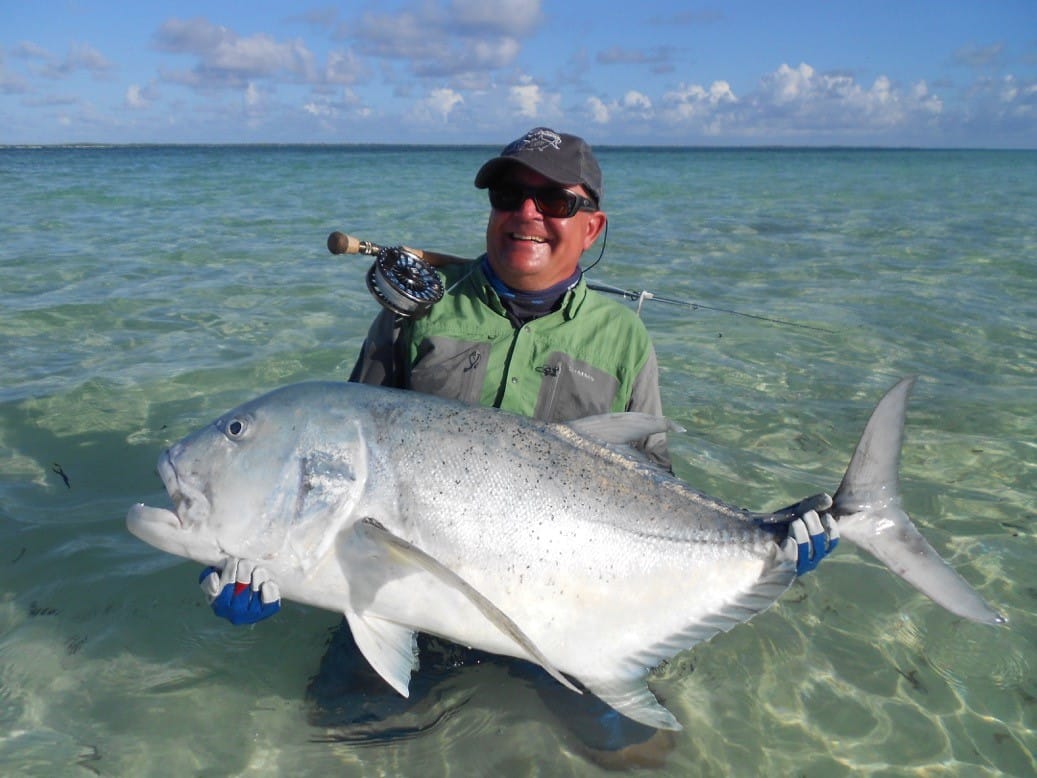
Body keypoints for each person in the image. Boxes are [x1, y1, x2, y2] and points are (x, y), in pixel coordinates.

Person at [199, 127, 839, 767]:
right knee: (344, 737)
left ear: (592, 227)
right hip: (407, 595)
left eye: (555, 202)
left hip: (563, 605)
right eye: (510, 194)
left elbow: (649, 484)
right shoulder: (420, 313)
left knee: (640, 754)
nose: (527, 214)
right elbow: (336, 463)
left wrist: (767, 546)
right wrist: (257, 550)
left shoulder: (623, 340)